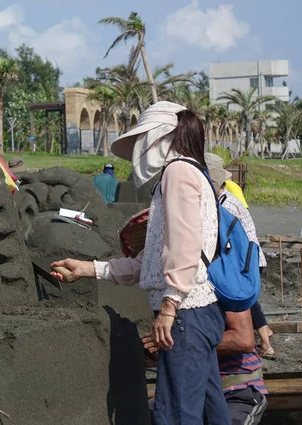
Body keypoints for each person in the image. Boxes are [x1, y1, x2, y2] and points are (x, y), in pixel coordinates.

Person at [51, 101, 231, 425]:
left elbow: (185, 247)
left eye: (142, 140)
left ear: (160, 137)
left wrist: (169, 307)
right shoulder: (189, 172)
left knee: (175, 415)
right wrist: (89, 268)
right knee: (208, 409)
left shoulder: (177, 171)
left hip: (186, 314)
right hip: (199, 311)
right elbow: (149, 264)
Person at [143, 308, 268, 425]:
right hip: (190, 389)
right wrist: (159, 351)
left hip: (236, 391)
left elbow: (243, 340)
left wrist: (180, 342)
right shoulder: (163, 293)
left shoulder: (222, 287)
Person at [204, 153, 275, 360]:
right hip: (245, 258)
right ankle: (265, 338)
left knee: (243, 302)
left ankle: (264, 340)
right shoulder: (228, 196)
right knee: (249, 304)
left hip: (242, 261)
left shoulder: (225, 204)